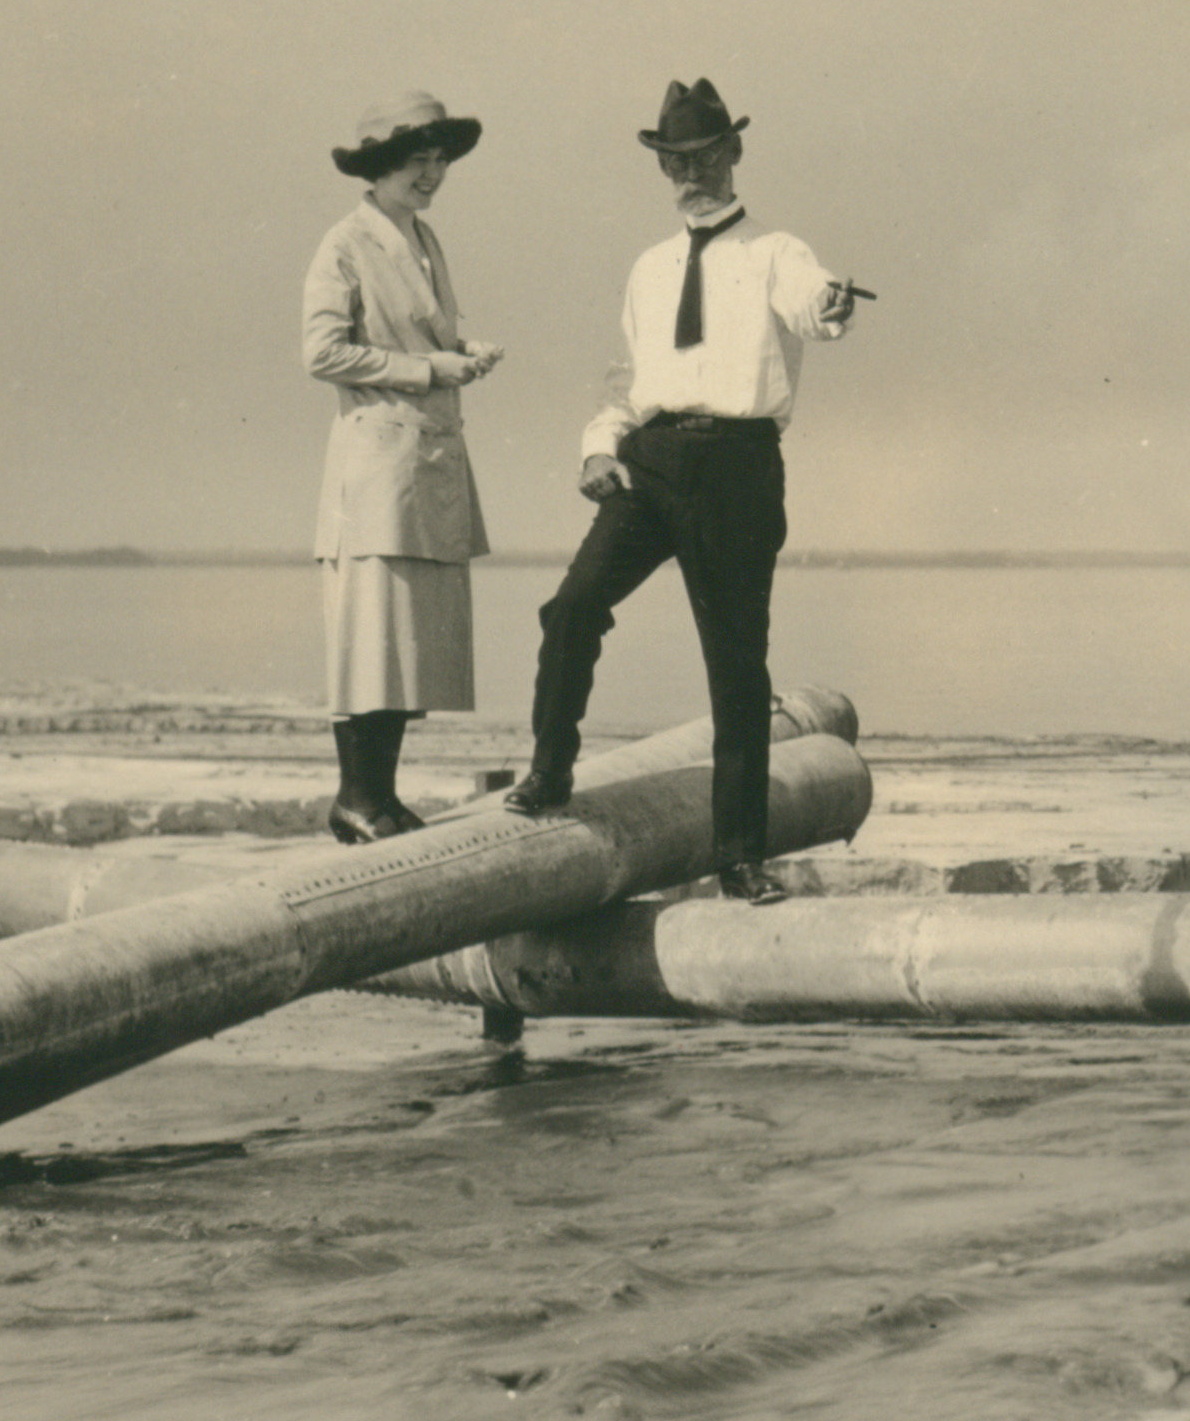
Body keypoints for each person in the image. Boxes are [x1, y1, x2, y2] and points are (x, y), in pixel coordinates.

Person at [508, 76, 860, 899]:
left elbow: (816, 308)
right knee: (569, 608)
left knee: (735, 665)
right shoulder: (649, 267)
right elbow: (626, 380)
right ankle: (548, 773)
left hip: (738, 468)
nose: (690, 175)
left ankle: (740, 855)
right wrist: (599, 448)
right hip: (650, 459)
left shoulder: (779, 251)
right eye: (674, 162)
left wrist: (834, 303)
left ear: (734, 154)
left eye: (703, 157)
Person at [302, 91, 504, 841]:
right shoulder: (344, 243)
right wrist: (427, 369)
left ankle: (376, 797)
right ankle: (356, 797)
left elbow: (423, 335)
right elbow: (320, 352)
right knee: (370, 632)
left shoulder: (422, 237)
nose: (432, 172)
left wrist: (463, 351)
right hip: (378, 460)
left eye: (440, 158)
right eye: (416, 159)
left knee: (403, 640)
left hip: (424, 459)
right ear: (380, 165)